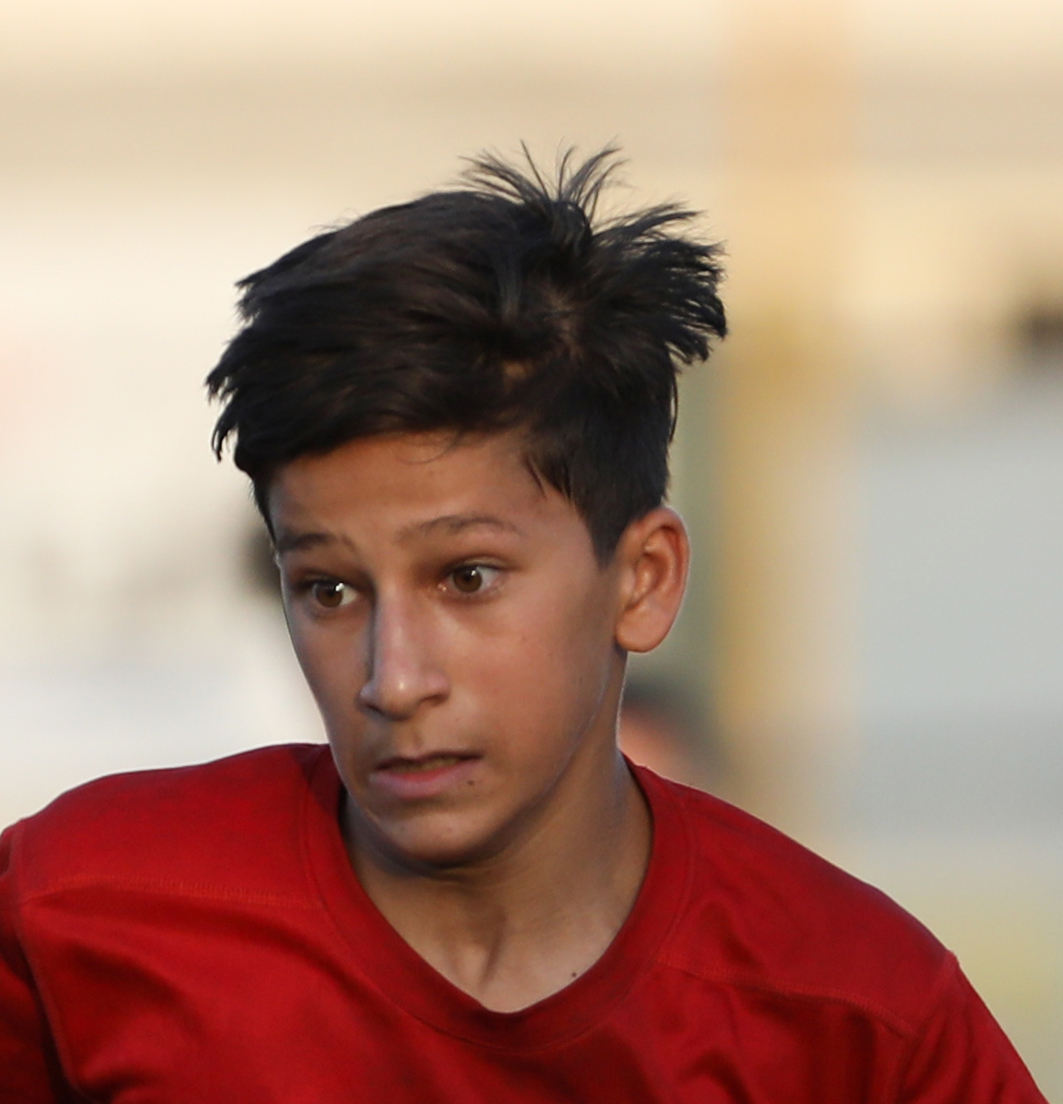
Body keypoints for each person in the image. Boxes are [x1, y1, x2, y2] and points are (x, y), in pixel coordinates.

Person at [0, 149, 1046, 1102]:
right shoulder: (70, 922)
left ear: (642, 581)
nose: (392, 679)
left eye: (467, 578)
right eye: (329, 590)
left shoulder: (859, 1021)